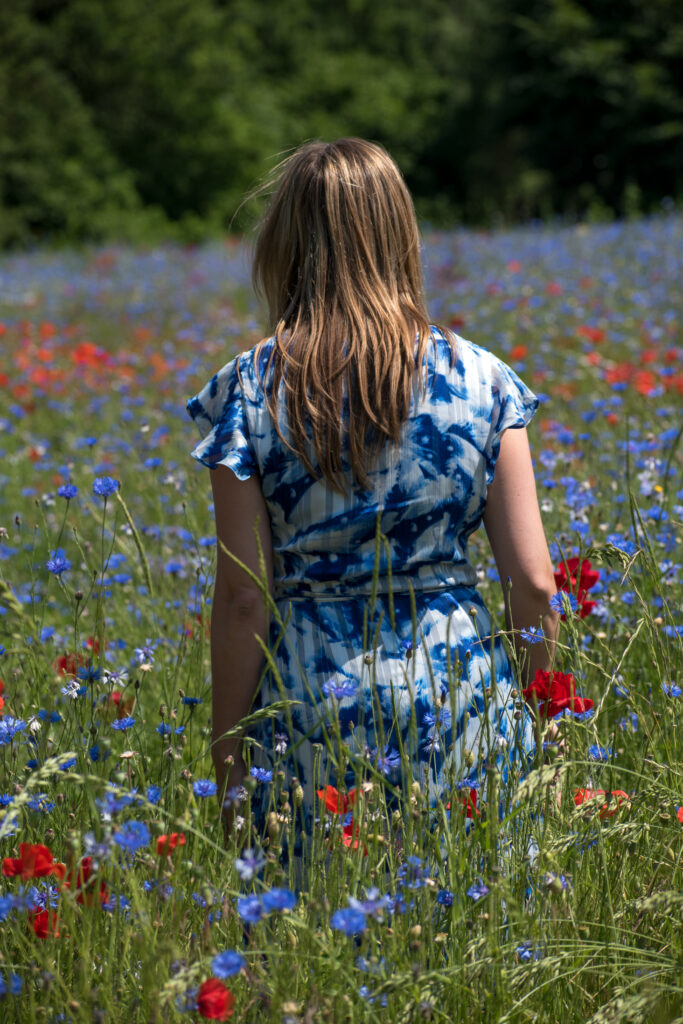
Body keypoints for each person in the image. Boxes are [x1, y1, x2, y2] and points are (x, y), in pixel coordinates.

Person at [186, 138, 559, 864]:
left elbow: (242, 597)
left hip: (309, 707)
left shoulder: (251, 386)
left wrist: (229, 761)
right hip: (462, 701)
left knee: (314, 947)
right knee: (473, 944)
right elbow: (534, 582)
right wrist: (544, 715)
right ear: (399, 235)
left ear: (286, 242)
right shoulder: (482, 380)